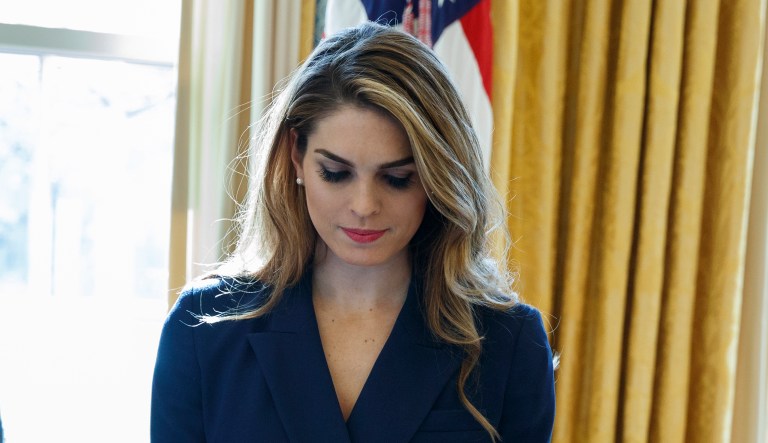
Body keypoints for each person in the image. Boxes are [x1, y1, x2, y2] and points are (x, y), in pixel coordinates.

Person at [151, 22, 555, 442]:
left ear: (436, 177)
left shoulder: (509, 342)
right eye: (336, 173)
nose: (364, 206)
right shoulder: (202, 328)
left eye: (398, 178)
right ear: (296, 156)